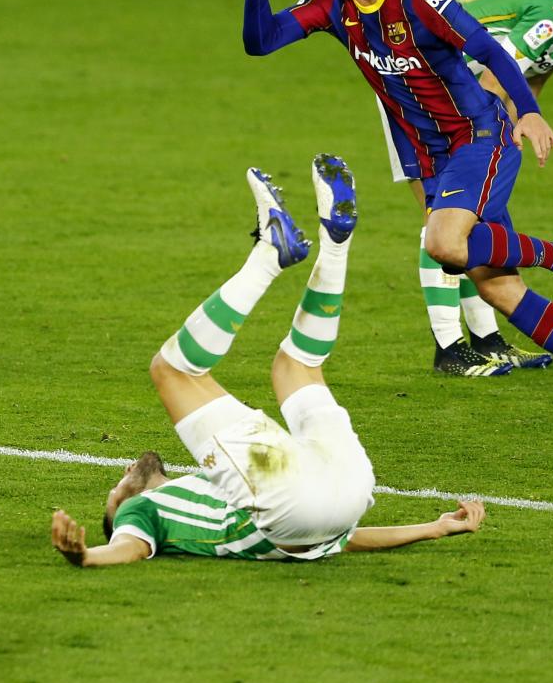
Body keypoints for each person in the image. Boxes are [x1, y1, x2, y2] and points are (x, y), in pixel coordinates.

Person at [243, 0, 553, 407]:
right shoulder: (331, 1)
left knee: (443, 243)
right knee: (498, 289)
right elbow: (260, 41)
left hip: (480, 137)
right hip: (431, 153)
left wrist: (527, 109)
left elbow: (488, 48)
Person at [51, 156, 485, 567]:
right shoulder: (139, 514)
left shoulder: (215, 487)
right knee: (171, 370)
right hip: (298, 500)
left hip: (343, 495)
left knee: (295, 366)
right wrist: (88, 555)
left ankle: (335, 246)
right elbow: (126, 547)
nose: (120, 478)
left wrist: (434, 528)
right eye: (112, 493)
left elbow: (344, 536)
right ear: (120, 511)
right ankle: (270, 255)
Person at [377, 0, 553, 376]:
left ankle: (487, 342)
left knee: (470, 230)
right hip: (418, 94)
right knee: (440, 220)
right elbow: (492, 78)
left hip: (446, 101)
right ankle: (450, 345)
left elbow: (527, 88)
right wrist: (486, 148)